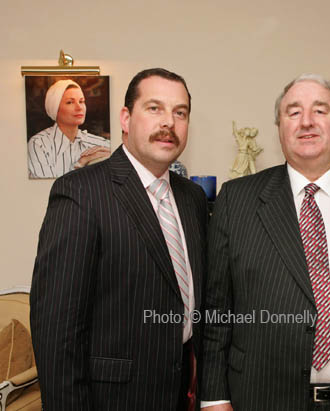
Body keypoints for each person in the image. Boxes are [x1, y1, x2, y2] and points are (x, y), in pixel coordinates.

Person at [201, 74, 330, 411]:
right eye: (293, 112)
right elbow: (217, 309)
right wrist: (214, 398)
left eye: (320, 110)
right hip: (264, 399)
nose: (306, 122)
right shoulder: (237, 199)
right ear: (279, 127)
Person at [30, 68, 207, 411]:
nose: (168, 122)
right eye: (154, 108)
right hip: (113, 400)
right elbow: (57, 335)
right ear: (126, 118)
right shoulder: (80, 194)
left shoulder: (193, 198)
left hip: (182, 394)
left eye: (180, 112)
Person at [27, 79, 111, 178]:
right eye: (70, 102)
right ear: (55, 109)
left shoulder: (102, 145)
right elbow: (47, 189)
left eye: (81, 101)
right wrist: (81, 163)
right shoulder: (39, 144)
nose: (79, 107)